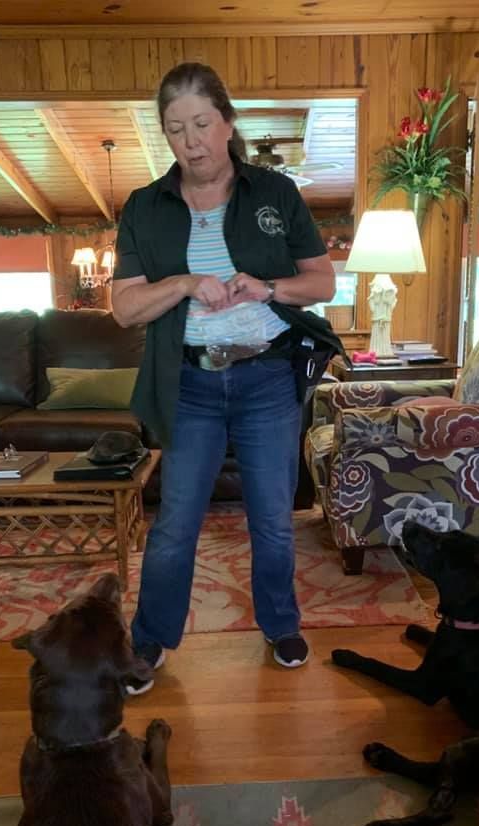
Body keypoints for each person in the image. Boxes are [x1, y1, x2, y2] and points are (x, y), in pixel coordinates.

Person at [111, 62, 339, 693]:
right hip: (188, 387)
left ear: (228, 122)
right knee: (175, 522)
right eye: (176, 128)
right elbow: (125, 306)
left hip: (266, 378)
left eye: (203, 123)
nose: (192, 141)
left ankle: (280, 623)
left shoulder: (275, 194)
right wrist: (183, 284)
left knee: (271, 517)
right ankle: (149, 640)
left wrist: (269, 287)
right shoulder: (143, 208)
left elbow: (323, 281)